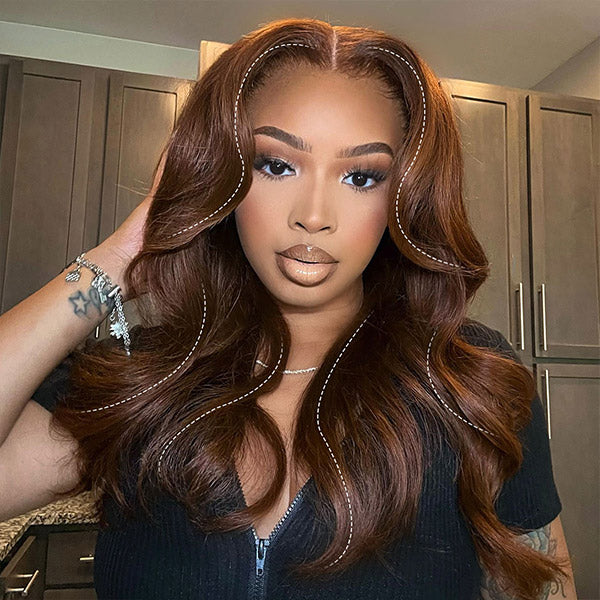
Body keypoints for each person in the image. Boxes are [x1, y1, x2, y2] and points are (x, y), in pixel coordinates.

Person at [0, 17, 577, 600]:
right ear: (224, 176)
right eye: (277, 165)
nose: (313, 215)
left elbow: (537, 583)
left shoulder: (469, 381)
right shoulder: (143, 376)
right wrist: (121, 258)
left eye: (361, 176)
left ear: (405, 196)